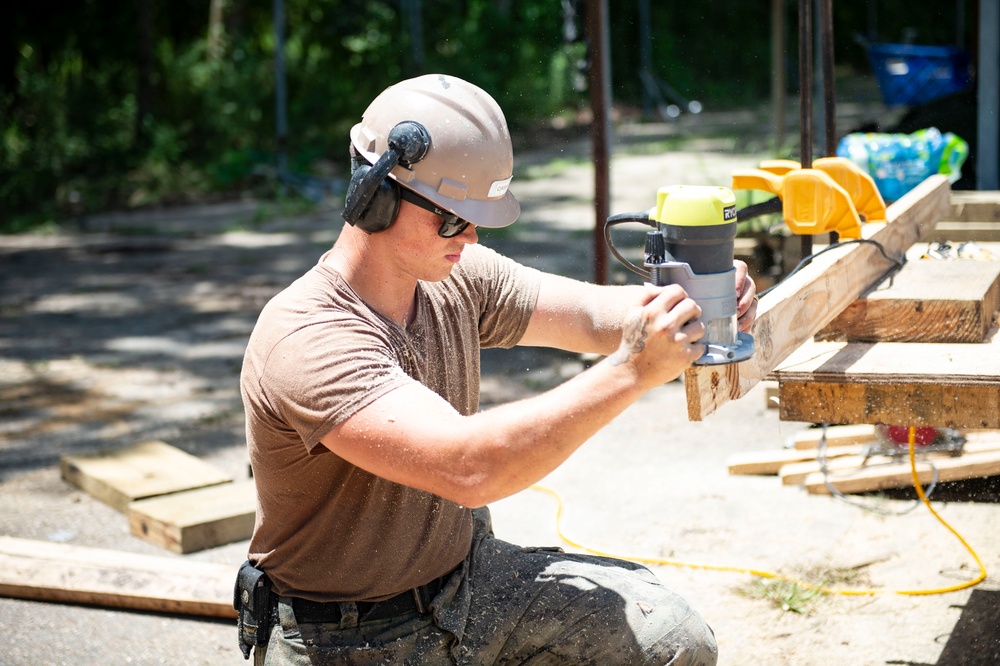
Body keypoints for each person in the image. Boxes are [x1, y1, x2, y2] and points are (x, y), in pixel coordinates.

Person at [238, 73, 757, 666]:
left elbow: (590, 315)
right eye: (453, 218)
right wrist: (632, 371)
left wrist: (698, 300)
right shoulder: (309, 337)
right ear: (375, 196)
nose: (472, 234)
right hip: (347, 636)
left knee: (669, 640)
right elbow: (470, 467)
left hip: (464, 586)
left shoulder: (456, 275)